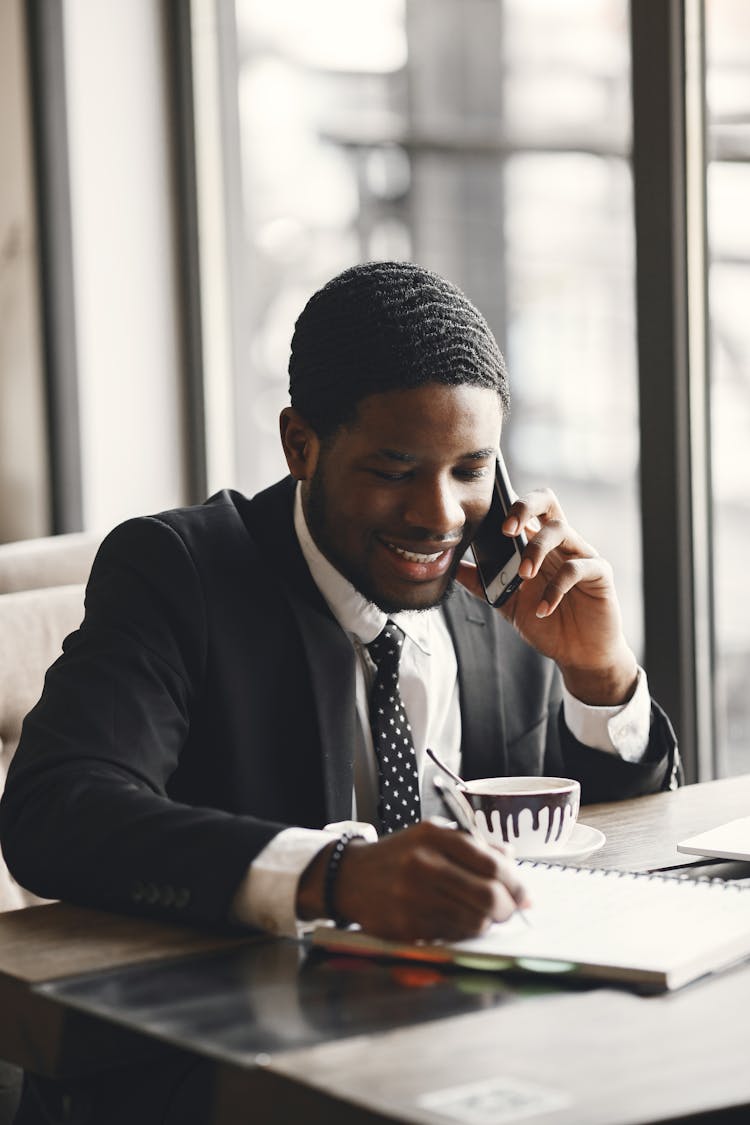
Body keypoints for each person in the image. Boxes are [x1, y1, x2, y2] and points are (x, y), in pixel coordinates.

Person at [1, 261, 680, 950]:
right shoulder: (180, 572)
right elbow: (55, 811)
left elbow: (611, 856)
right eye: (395, 470)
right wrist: (333, 875)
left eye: (471, 469)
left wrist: (601, 675)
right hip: (244, 1021)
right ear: (301, 444)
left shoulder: (510, 589)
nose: (439, 515)